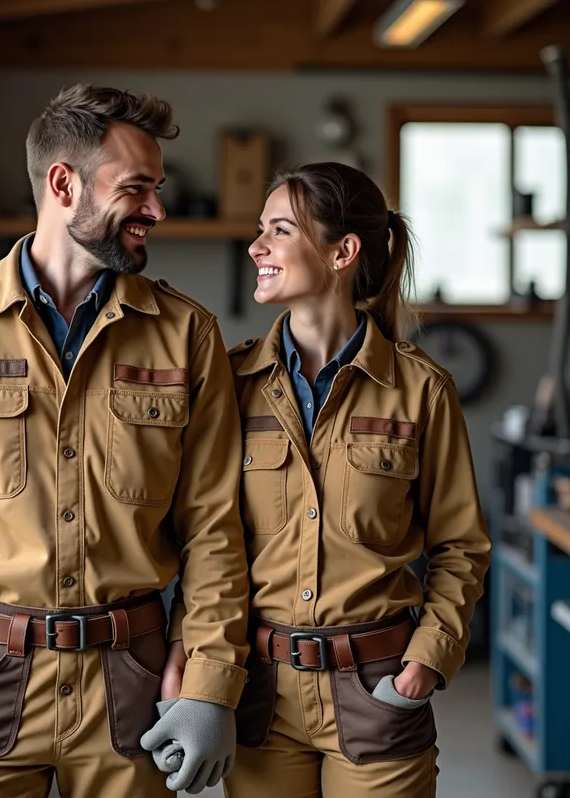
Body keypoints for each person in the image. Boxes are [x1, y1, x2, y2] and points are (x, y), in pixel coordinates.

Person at [0, 83, 249, 798]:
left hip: (130, 682)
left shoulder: (186, 334)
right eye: (135, 188)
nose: (156, 210)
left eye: (158, 189)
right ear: (64, 185)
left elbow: (215, 527)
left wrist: (208, 684)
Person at [160, 161, 491, 797]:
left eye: (280, 230)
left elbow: (462, 546)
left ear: (343, 252)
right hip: (258, 693)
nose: (256, 247)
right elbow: (206, 541)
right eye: (261, 229)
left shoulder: (421, 391)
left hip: (378, 687)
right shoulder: (229, 384)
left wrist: (426, 662)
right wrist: (193, 658)